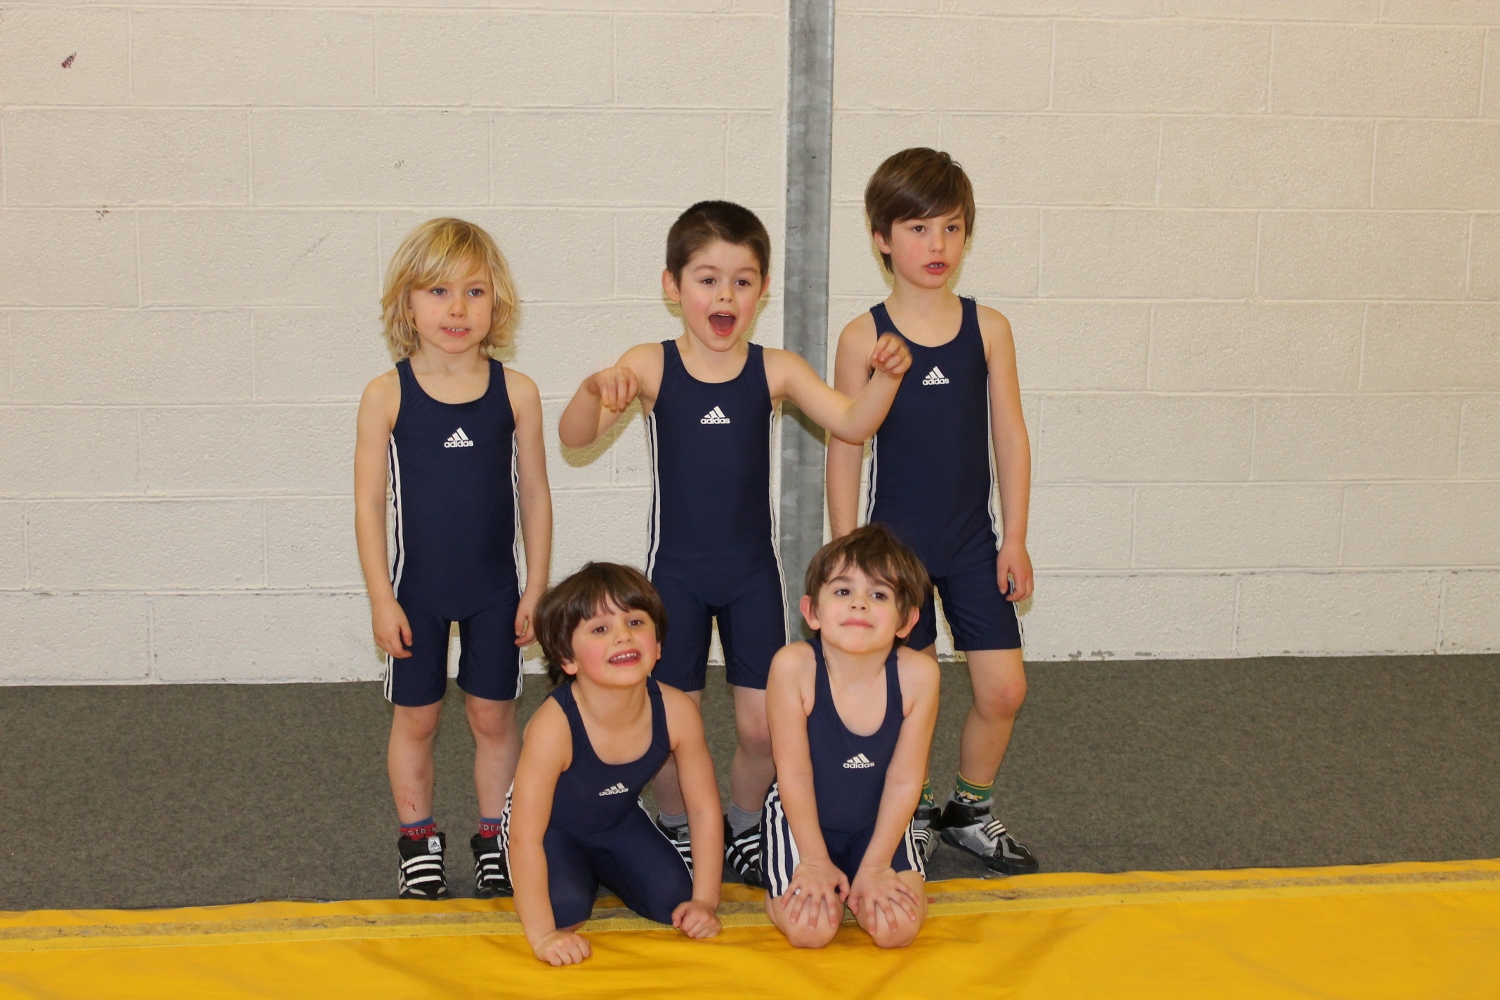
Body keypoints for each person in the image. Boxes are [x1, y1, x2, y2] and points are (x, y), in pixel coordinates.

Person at [557, 201, 912, 886]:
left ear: (762, 290)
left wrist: (886, 378)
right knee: (667, 724)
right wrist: (591, 389)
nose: (725, 296)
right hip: (675, 578)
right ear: (673, 286)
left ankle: (747, 822)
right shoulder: (650, 364)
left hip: (752, 576)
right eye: (707, 279)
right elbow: (575, 437)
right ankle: (679, 824)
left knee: (761, 728)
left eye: (742, 282)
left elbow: (851, 422)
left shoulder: (775, 369)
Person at [826, 148, 1039, 875]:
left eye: (950, 227)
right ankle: (911, 811)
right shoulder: (864, 337)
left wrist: (1015, 537)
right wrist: (849, 556)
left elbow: (1009, 436)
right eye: (918, 229)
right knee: (910, 697)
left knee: (1004, 689)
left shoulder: (989, 328)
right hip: (896, 555)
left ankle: (968, 810)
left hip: (973, 542)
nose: (936, 244)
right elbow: (846, 447)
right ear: (882, 238)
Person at [353, 218, 552, 900]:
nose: (457, 308)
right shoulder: (386, 395)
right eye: (438, 291)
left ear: (497, 302)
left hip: (497, 592)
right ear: (407, 302)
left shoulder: (516, 392)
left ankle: (497, 837)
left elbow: (535, 497)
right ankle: (418, 840)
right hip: (418, 594)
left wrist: (536, 589)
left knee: (494, 717)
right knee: (418, 718)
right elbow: (369, 506)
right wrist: (382, 598)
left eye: (474, 291)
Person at [506, 562, 722, 966]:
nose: (623, 635)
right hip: (548, 830)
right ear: (568, 659)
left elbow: (704, 809)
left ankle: (597, 870)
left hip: (616, 819)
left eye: (635, 622)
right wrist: (542, 936)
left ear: (658, 645)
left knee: (676, 904)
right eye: (600, 628)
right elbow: (524, 837)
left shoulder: (677, 711)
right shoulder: (554, 727)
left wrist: (705, 901)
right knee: (564, 912)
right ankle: (578, 876)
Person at [761, 524, 939, 949]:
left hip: (878, 822)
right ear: (812, 612)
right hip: (800, 819)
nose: (859, 602)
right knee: (811, 931)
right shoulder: (793, 667)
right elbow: (794, 775)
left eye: (879, 594)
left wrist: (876, 866)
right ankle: (781, 879)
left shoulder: (919, 676)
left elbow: (905, 780)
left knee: (897, 931)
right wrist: (813, 860)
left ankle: (862, 869)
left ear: (906, 620)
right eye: (843, 591)